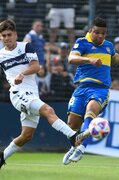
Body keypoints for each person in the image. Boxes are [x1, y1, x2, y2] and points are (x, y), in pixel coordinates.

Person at [0, 19, 88, 169]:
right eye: (4, 36)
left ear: (15, 34)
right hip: (17, 94)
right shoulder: (1, 55)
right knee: (48, 110)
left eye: (9, 35)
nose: (7, 38)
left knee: (26, 136)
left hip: (32, 94)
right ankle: (73, 137)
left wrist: (22, 73)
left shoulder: (26, 46)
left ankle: (2, 157)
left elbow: (36, 66)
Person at [62, 17, 119, 164]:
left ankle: (82, 148)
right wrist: (89, 60)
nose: (100, 36)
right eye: (97, 32)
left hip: (100, 89)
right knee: (72, 125)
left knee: (91, 111)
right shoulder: (82, 42)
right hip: (81, 89)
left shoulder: (108, 46)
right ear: (90, 31)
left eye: (103, 33)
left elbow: (114, 58)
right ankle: (74, 146)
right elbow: (71, 58)